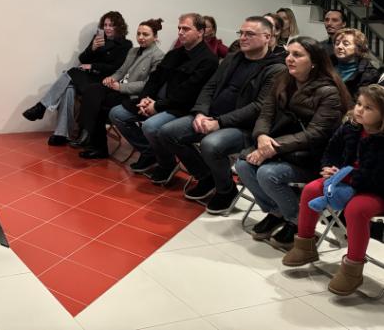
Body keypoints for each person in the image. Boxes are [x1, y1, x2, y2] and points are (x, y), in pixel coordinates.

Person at [156, 17, 286, 210]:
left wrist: (219, 122)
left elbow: (258, 106)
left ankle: (226, 190)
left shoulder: (276, 68)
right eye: (241, 33)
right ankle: (206, 177)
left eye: (249, 34)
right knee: (167, 133)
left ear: (267, 37)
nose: (243, 38)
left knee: (211, 144)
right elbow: (210, 86)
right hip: (210, 117)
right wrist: (201, 113)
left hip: (243, 127)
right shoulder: (233, 58)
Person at [235, 37, 350, 250]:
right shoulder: (283, 78)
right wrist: (261, 136)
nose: (289, 59)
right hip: (280, 148)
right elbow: (266, 113)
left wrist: (272, 147)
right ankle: (277, 212)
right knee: (243, 165)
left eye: (297, 55)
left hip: (311, 157)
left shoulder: (329, 92)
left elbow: (315, 134)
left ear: (314, 62)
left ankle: (298, 222)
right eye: (288, 53)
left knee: (268, 173)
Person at [281, 84, 384, 296]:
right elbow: (331, 151)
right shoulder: (350, 127)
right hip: (343, 180)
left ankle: (353, 269)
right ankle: (305, 245)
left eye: (368, 108)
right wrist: (329, 168)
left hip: (376, 190)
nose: (359, 110)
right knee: (311, 189)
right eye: (359, 104)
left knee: (356, 209)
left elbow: (376, 176)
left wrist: (345, 176)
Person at [108, 13, 219, 176]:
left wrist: (157, 106)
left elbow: (187, 93)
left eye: (186, 29)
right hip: (157, 102)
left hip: (182, 108)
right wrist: (145, 98)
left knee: (150, 126)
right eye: (179, 28)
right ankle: (150, 152)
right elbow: (155, 78)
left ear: (200, 32)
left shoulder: (208, 60)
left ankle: (166, 164)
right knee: (117, 113)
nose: (180, 32)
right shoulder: (175, 53)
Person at [22, 12, 132, 146]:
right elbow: (83, 59)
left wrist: (93, 66)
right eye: (105, 25)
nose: (107, 28)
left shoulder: (125, 45)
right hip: (89, 77)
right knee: (69, 87)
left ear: (119, 27)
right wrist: (92, 48)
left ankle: (42, 107)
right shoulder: (98, 38)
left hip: (104, 81)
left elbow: (117, 68)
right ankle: (61, 134)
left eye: (111, 25)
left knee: (71, 73)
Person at [77, 18, 165, 159]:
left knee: (98, 106)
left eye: (145, 34)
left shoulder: (159, 56)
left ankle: (93, 140)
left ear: (155, 37)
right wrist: (112, 78)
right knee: (92, 89)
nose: (141, 37)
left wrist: (121, 87)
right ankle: (88, 132)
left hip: (133, 95)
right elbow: (121, 71)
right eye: (139, 33)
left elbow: (148, 84)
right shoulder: (133, 51)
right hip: (118, 88)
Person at [332, 28, 379, 98]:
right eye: (337, 43)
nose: (339, 46)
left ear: (358, 48)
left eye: (346, 44)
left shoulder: (369, 74)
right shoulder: (326, 65)